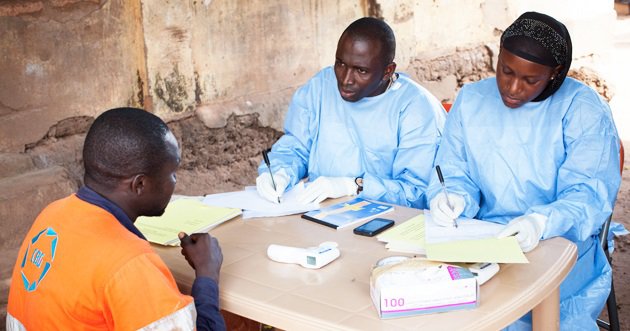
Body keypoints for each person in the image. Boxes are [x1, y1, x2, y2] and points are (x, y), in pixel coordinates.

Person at [426, 12, 621, 330]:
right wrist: (454, 198)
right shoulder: (473, 99)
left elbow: (589, 193)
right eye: (505, 71)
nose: (513, 88)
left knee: (516, 316)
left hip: (560, 246)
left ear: (556, 74)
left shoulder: (581, 109)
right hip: (483, 241)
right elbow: (454, 168)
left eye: (530, 80)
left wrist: (541, 221)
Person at [6, 108, 226, 330]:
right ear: (139, 184)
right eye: (172, 173)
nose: (175, 180)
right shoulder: (129, 263)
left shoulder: (52, 215)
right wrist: (207, 274)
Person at [256, 17, 445, 208]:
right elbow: (296, 146)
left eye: (361, 71)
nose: (346, 79)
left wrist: (354, 186)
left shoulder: (416, 108)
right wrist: (279, 173)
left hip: (388, 221)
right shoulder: (321, 87)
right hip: (319, 212)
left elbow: (417, 191)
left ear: (388, 71)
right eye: (341, 64)